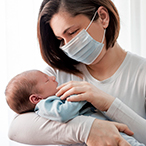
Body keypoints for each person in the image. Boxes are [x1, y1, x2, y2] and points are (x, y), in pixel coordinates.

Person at [8, 0, 146, 146]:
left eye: (73, 32)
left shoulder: (141, 73)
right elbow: (16, 129)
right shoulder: (56, 75)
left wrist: (108, 104)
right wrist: (87, 129)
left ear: (103, 17)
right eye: (61, 39)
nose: (68, 45)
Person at [5, 70, 144, 146]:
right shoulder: (45, 105)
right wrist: (81, 97)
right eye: (47, 79)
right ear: (36, 98)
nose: (53, 77)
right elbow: (63, 113)